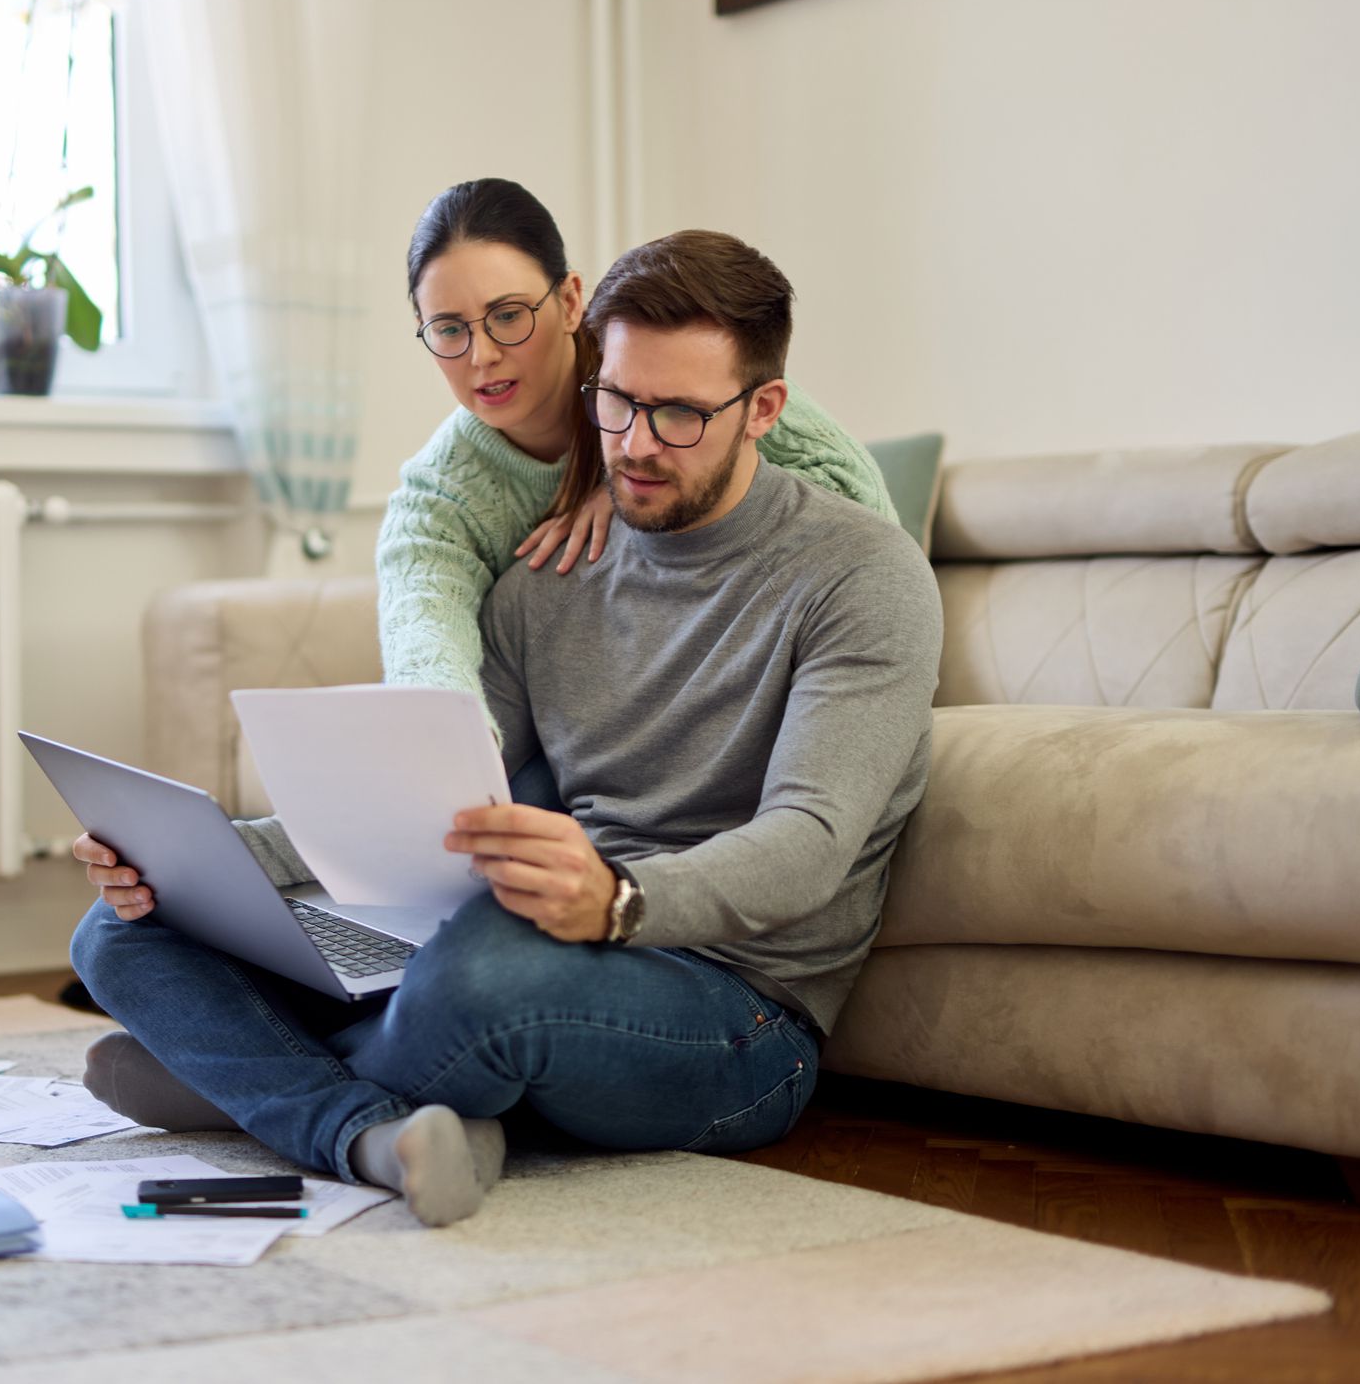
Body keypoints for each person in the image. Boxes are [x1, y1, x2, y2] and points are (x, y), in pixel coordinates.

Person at [67, 229, 942, 1228]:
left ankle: (252, 1084)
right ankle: (366, 1126)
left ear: (763, 412)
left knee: (479, 978)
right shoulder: (543, 580)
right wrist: (201, 856)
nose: (636, 443)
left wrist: (617, 900)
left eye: (681, 415)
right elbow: (433, 808)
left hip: (734, 1014)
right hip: (537, 939)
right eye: (614, 402)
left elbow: (808, 848)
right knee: (120, 932)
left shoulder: (861, 577)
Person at [379, 178, 898, 724]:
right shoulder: (437, 500)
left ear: (571, 299)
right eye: (448, 328)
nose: (481, 355)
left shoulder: (677, 373)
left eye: (509, 315)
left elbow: (864, 521)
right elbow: (424, 651)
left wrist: (637, 485)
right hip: (571, 730)